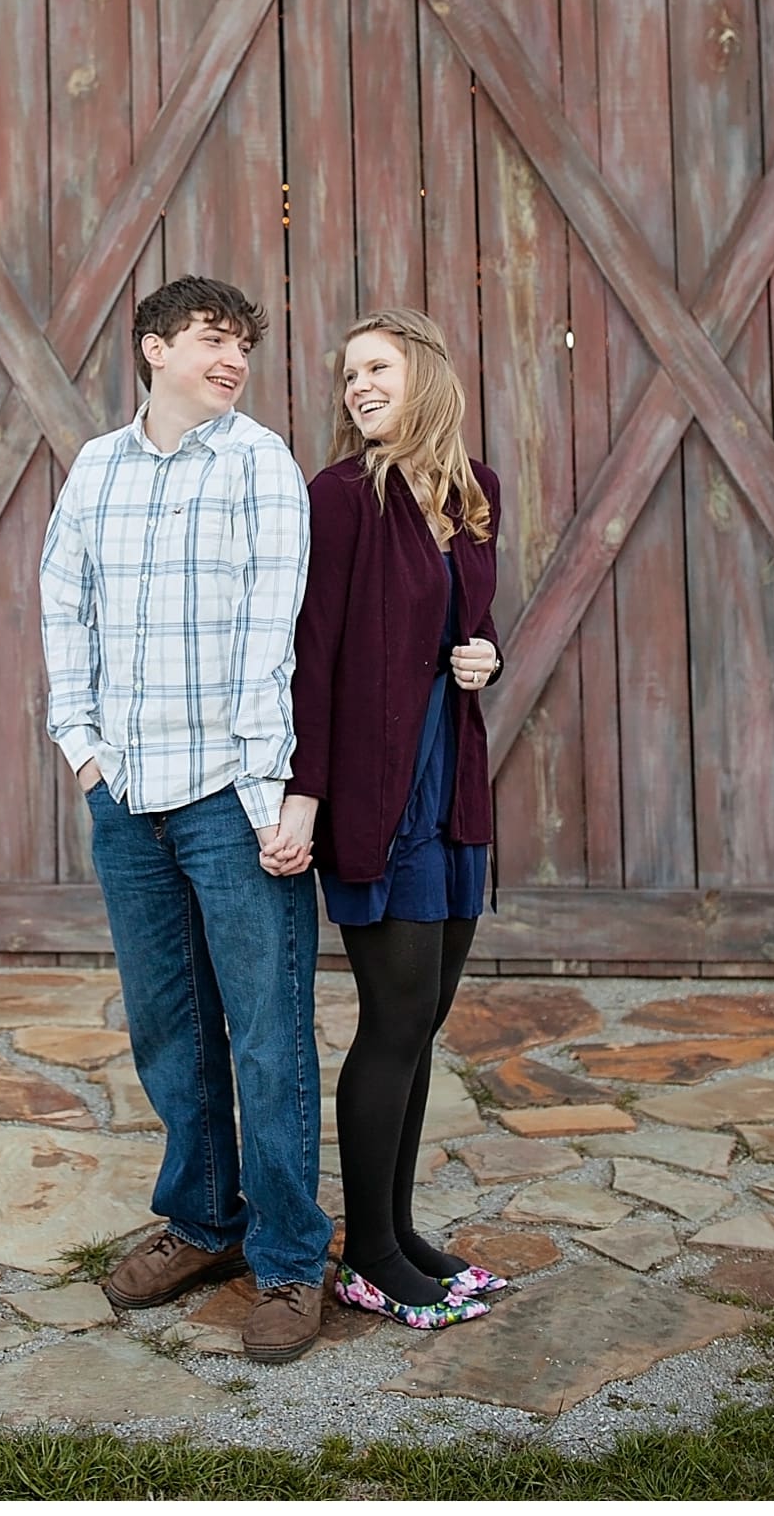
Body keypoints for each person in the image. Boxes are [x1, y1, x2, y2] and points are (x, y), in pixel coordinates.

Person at [39, 275, 331, 1365]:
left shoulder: (260, 464)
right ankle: (206, 1223)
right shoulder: (97, 467)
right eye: (213, 338)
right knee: (169, 1027)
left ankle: (294, 1260)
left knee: (267, 1032)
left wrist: (268, 792)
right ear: (154, 346)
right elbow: (62, 598)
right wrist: (84, 751)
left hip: (227, 796)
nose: (233, 358)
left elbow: (275, 637)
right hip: (128, 800)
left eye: (244, 343)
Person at [283, 308, 505, 1329]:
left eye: (374, 366)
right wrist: (308, 795)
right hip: (380, 795)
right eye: (347, 374)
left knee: (426, 1022)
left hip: (453, 783)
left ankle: (400, 1230)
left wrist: (482, 655)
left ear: (425, 368)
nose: (356, 386)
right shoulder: (340, 496)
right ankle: (367, 1254)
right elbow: (317, 652)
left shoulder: (475, 493)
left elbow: (470, 622)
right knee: (394, 1017)